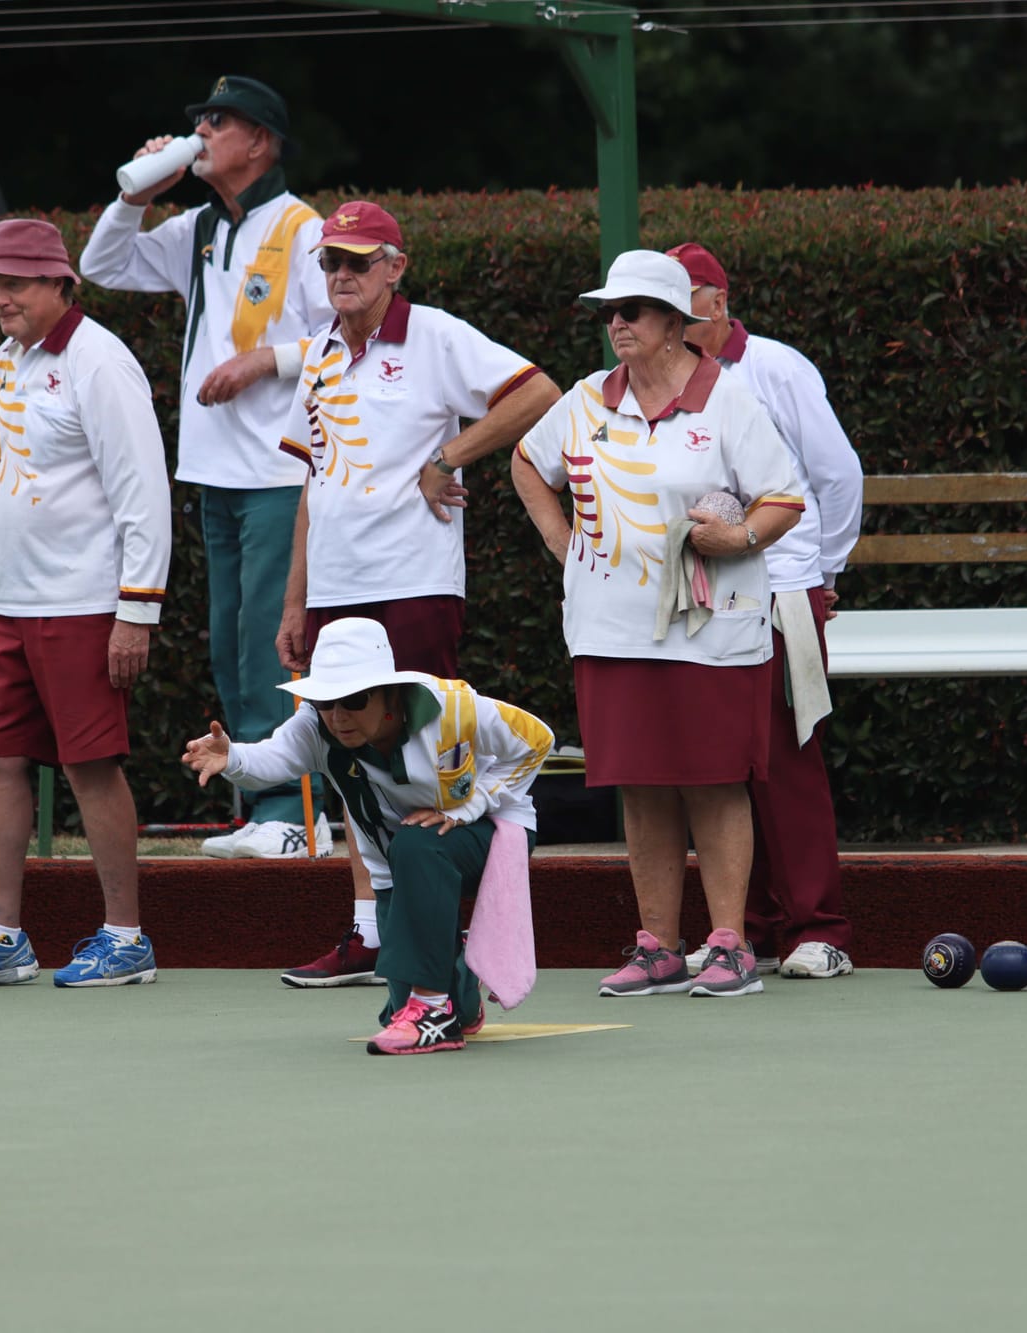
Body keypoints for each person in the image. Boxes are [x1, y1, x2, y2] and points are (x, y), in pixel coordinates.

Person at [271, 199, 560, 989]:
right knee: (343, 759)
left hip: (414, 581)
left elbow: (538, 392)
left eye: (358, 262)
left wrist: (450, 455)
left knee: (427, 760)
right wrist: (294, 601)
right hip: (335, 586)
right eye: (331, 261)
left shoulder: (433, 334)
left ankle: (449, 935)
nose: (341, 275)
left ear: (395, 268)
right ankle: (371, 929)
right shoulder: (322, 352)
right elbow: (312, 481)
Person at [513, 250, 804, 999]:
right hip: (609, 626)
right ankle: (657, 947)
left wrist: (736, 539)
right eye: (611, 311)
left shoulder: (727, 399)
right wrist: (562, 542)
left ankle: (731, 945)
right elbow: (526, 461)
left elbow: (784, 496)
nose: (618, 323)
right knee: (638, 785)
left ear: (677, 324)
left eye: (634, 310)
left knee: (713, 781)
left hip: (715, 628)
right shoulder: (583, 400)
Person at [0, 219, 174, 990]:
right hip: (14, 602)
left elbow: (142, 492)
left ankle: (126, 938)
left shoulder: (101, 362)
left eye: (17, 282)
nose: (1, 298)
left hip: (89, 602)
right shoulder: (7, 358)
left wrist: (138, 608)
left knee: (93, 765)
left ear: (64, 284)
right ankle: (0, 937)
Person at [81, 74, 336, 860]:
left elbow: (343, 336)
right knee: (230, 642)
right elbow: (102, 264)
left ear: (259, 141)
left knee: (270, 640)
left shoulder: (302, 227)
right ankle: (260, 804)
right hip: (214, 469)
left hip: (276, 471)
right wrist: (139, 191)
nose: (201, 132)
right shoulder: (196, 225)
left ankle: (297, 811)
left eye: (217, 123)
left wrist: (267, 359)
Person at [182, 618, 553, 1054]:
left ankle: (432, 1011)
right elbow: (274, 758)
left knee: (416, 846)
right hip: (402, 861)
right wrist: (233, 758)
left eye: (355, 699)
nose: (338, 716)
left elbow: (537, 741)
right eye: (325, 701)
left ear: (389, 693)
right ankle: (457, 996)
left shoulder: (453, 707)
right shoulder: (315, 726)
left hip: (489, 833)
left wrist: (470, 806)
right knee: (405, 989)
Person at [669, 242, 863, 981]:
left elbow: (838, 474)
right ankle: (742, 930)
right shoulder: (663, 382)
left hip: (782, 585)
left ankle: (821, 927)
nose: (671, 315)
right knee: (720, 764)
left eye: (684, 299)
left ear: (718, 302)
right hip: (704, 592)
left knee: (789, 756)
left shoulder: (776, 368)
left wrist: (826, 567)